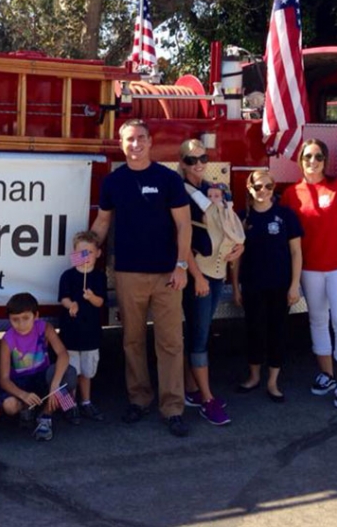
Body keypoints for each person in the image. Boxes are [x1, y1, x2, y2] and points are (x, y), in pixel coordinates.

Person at [90, 119, 193, 437]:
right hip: (128, 275)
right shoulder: (113, 182)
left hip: (166, 275)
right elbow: (102, 223)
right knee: (132, 341)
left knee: (171, 343)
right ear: (121, 144)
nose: (135, 145)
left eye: (141, 139)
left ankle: (173, 407)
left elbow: (184, 225)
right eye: (129, 140)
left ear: (151, 142)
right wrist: (85, 253)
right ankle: (139, 399)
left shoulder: (168, 179)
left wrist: (181, 266)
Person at [281, 139, 337, 409]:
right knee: (317, 320)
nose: (312, 162)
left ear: (325, 161)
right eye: (307, 157)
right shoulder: (292, 194)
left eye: (317, 157)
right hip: (310, 270)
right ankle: (327, 375)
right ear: (300, 161)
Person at [177, 139, 244, 425]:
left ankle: (191, 389)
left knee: (197, 332)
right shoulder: (180, 193)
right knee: (200, 337)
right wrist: (197, 276)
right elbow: (182, 241)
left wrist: (240, 247)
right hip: (199, 275)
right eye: (191, 160)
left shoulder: (216, 189)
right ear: (182, 163)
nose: (198, 164)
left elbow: (231, 227)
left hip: (216, 274)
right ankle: (207, 399)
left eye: (203, 158)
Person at [232, 170, 303, 402]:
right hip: (252, 285)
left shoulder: (286, 216)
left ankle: (273, 382)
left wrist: (294, 286)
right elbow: (235, 257)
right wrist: (235, 287)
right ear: (249, 189)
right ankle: (253, 377)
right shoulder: (243, 218)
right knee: (254, 331)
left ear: (274, 188)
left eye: (268, 186)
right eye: (258, 187)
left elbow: (296, 252)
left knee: (277, 332)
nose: (263, 191)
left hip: (280, 285)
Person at [0, 292, 77, 442]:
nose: (21, 324)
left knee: (68, 375)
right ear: (9, 319)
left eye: (26, 318)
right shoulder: (7, 340)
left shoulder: (45, 328)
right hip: (20, 383)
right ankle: (26, 409)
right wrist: (23, 395)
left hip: (42, 378)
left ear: (36, 316)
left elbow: (63, 354)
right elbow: (3, 379)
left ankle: (45, 416)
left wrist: (55, 385)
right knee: (9, 406)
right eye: (15, 320)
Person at [57, 231, 107, 422]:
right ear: (75, 254)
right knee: (71, 374)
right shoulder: (67, 276)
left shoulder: (99, 277)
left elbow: (101, 302)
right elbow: (63, 298)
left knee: (86, 373)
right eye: (81, 253)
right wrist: (72, 305)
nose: (86, 257)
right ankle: (70, 406)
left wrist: (91, 297)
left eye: (90, 253)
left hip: (90, 335)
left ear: (98, 254)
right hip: (71, 335)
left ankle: (86, 402)